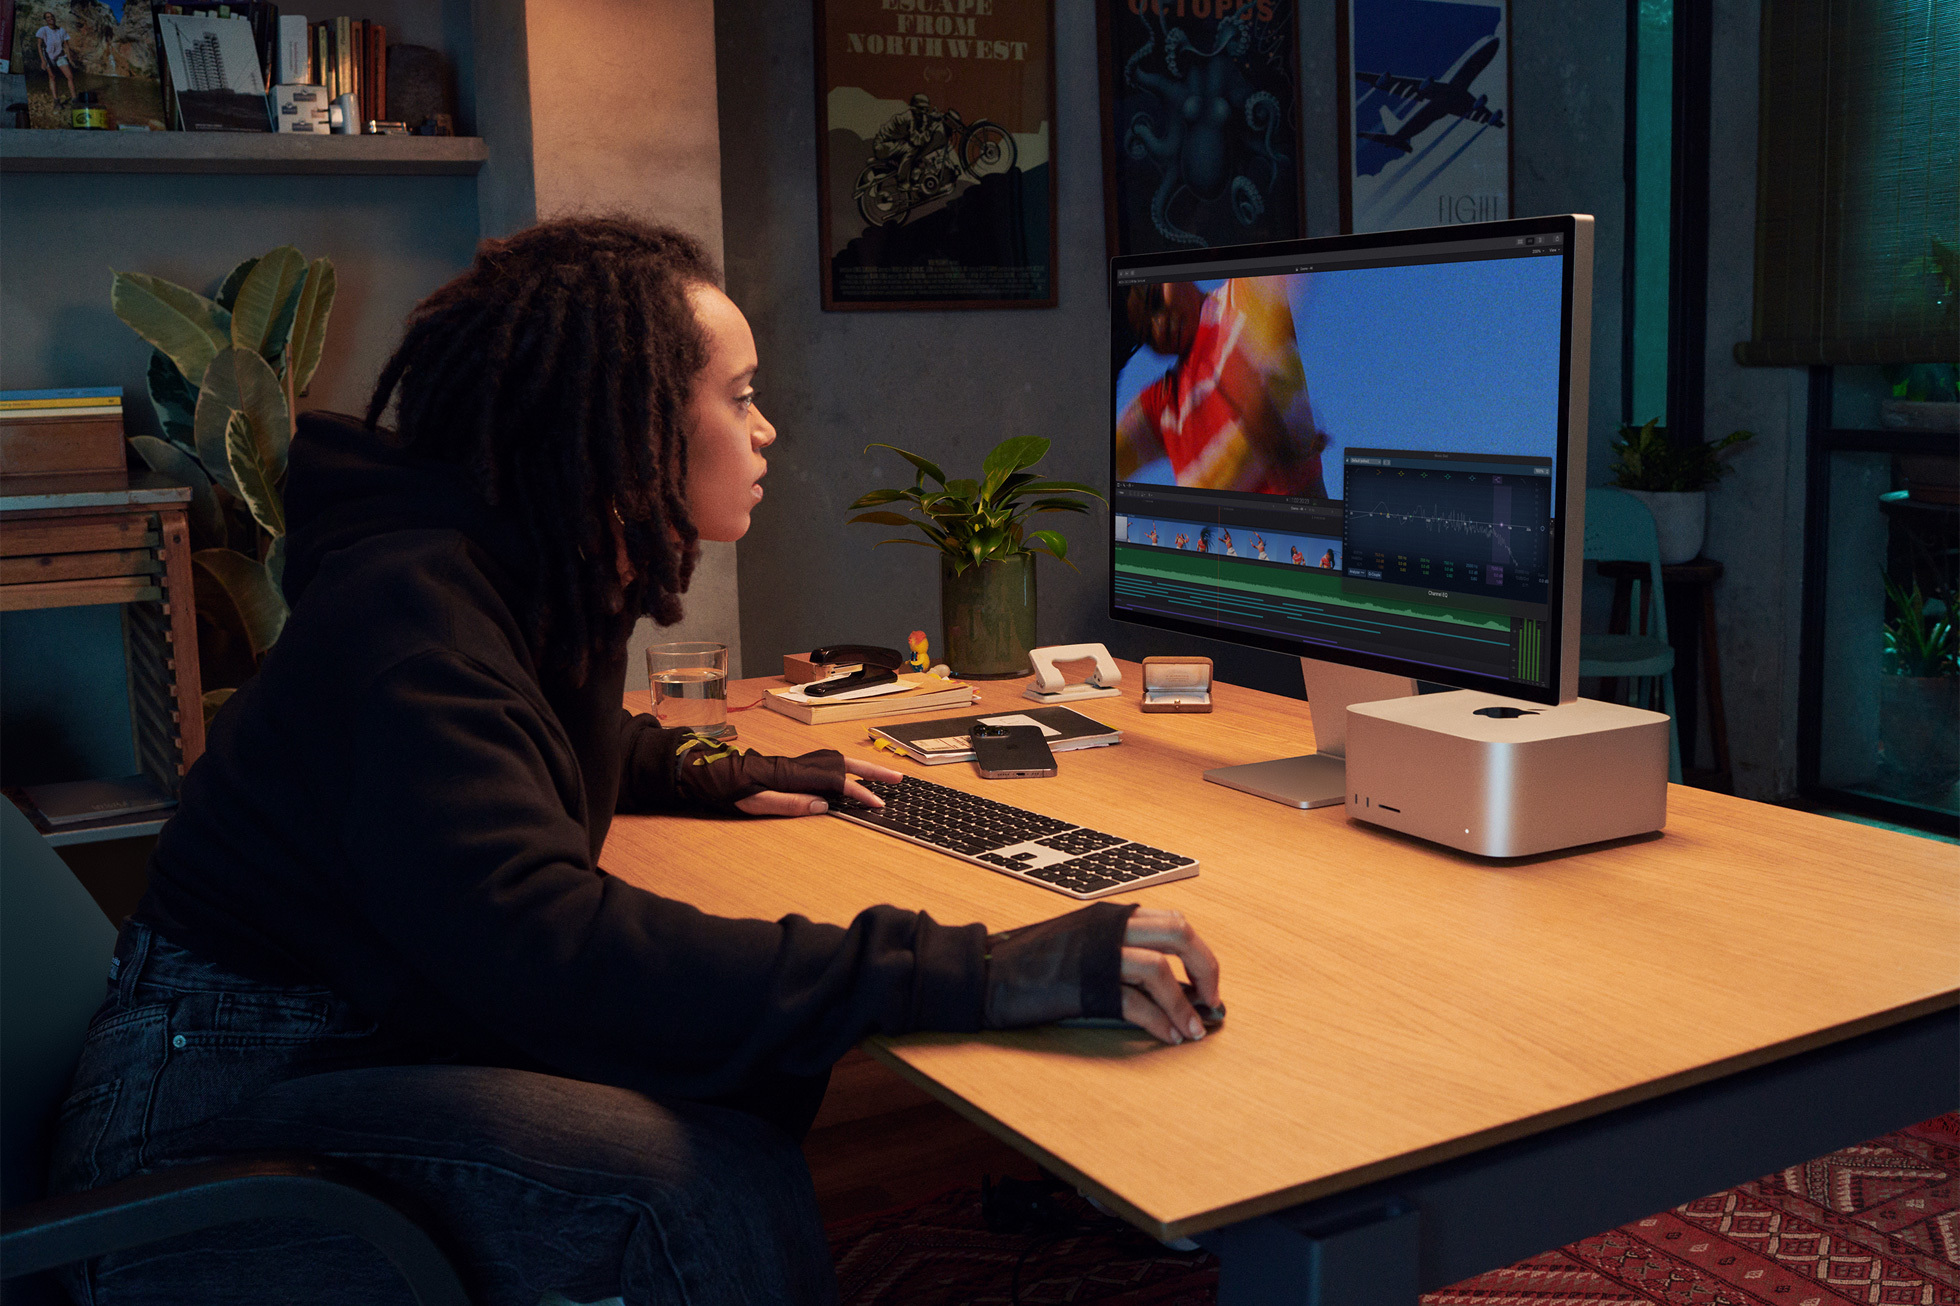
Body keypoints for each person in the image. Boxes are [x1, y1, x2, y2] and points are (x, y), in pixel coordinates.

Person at [48, 218, 1222, 1306]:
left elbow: (515, 740)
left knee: (739, 1097)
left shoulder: (504, 569)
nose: (767, 430)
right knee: (699, 1188)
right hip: (199, 1126)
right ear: (622, 418)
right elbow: (549, 948)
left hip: (324, 1035)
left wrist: (694, 766)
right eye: (741, 397)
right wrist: (977, 968)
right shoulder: (411, 622)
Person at [1116, 277, 1330, 497]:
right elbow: (1098, 464)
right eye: (1146, 336)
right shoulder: (1162, 408)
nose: (1160, 325)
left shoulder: (1242, 293)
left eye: (1156, 301)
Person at [36, 12, 77, 104]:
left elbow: (66, 45)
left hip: (60, 56)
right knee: (52, 76)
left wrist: (70, 59)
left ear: (54, 18)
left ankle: (74, 99)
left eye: (52, 16)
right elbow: (39, 46)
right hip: (48, 56)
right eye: (48, 17)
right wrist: (43, 61)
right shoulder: (43, 30)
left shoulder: (61, 30)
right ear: (46, 20)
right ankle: (56, 100)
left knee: (70, 76)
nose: (51, 18)